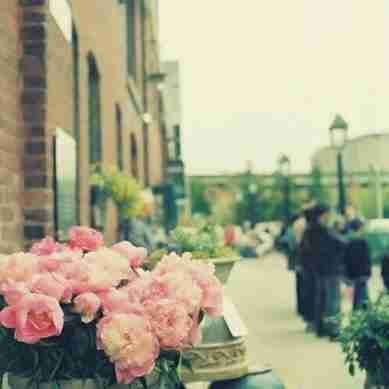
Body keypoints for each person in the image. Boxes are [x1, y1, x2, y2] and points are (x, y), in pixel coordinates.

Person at [303, 204, 345, 339]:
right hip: (330, 269)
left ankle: (320, 328)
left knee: (321, 299)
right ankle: (334, 330)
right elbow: (341, 243)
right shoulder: (324, 230)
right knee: (333, 300)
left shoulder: (309, 230)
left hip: (318, 270)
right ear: (323, 215)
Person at [343, 220, 372, 310]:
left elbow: (345, 259)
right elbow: (366, 259)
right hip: (362, 274)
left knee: (359, 298)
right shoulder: (362, 241)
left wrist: (346, 275)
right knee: (362, 299)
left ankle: (361, 315)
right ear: (360, 228)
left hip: (352, 274)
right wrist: (368, 273)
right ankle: (364, 318)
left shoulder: (346, 240)